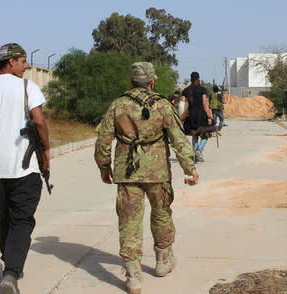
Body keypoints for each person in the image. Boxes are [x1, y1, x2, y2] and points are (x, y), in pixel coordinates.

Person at [94, 62, 198, 294]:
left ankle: (133, 276)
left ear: (131, 82)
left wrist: (103, 166)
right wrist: (189, 168)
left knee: (129, 221)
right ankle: (162, 261)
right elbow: (178, 139)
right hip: (157, 171)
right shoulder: (162, 104)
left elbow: (103, 139)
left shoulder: (118, 104)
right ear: (152, 82)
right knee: (162, 214)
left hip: (127, 171)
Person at [0, 43, 50, 294]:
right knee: (21, 220)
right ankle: (11, 273)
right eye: (23, 61)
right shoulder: (28, 87)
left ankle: (10, 261)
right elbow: (38, 119)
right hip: (25, 168)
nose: (26, 66)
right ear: (11, 61)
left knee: (5, 218)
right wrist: (46, 149)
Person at [180, 72, 213, 163]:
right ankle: (199, 150)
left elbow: (181, 105)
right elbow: (204, 104)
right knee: (206, 134)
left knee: (194, 135)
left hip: (190, 115)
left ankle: (196, 157)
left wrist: (181, 117)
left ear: (191, 79)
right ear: (198, 79)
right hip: (201, 114)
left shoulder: (186, 90)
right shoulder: (202, 89)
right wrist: (209, 116)